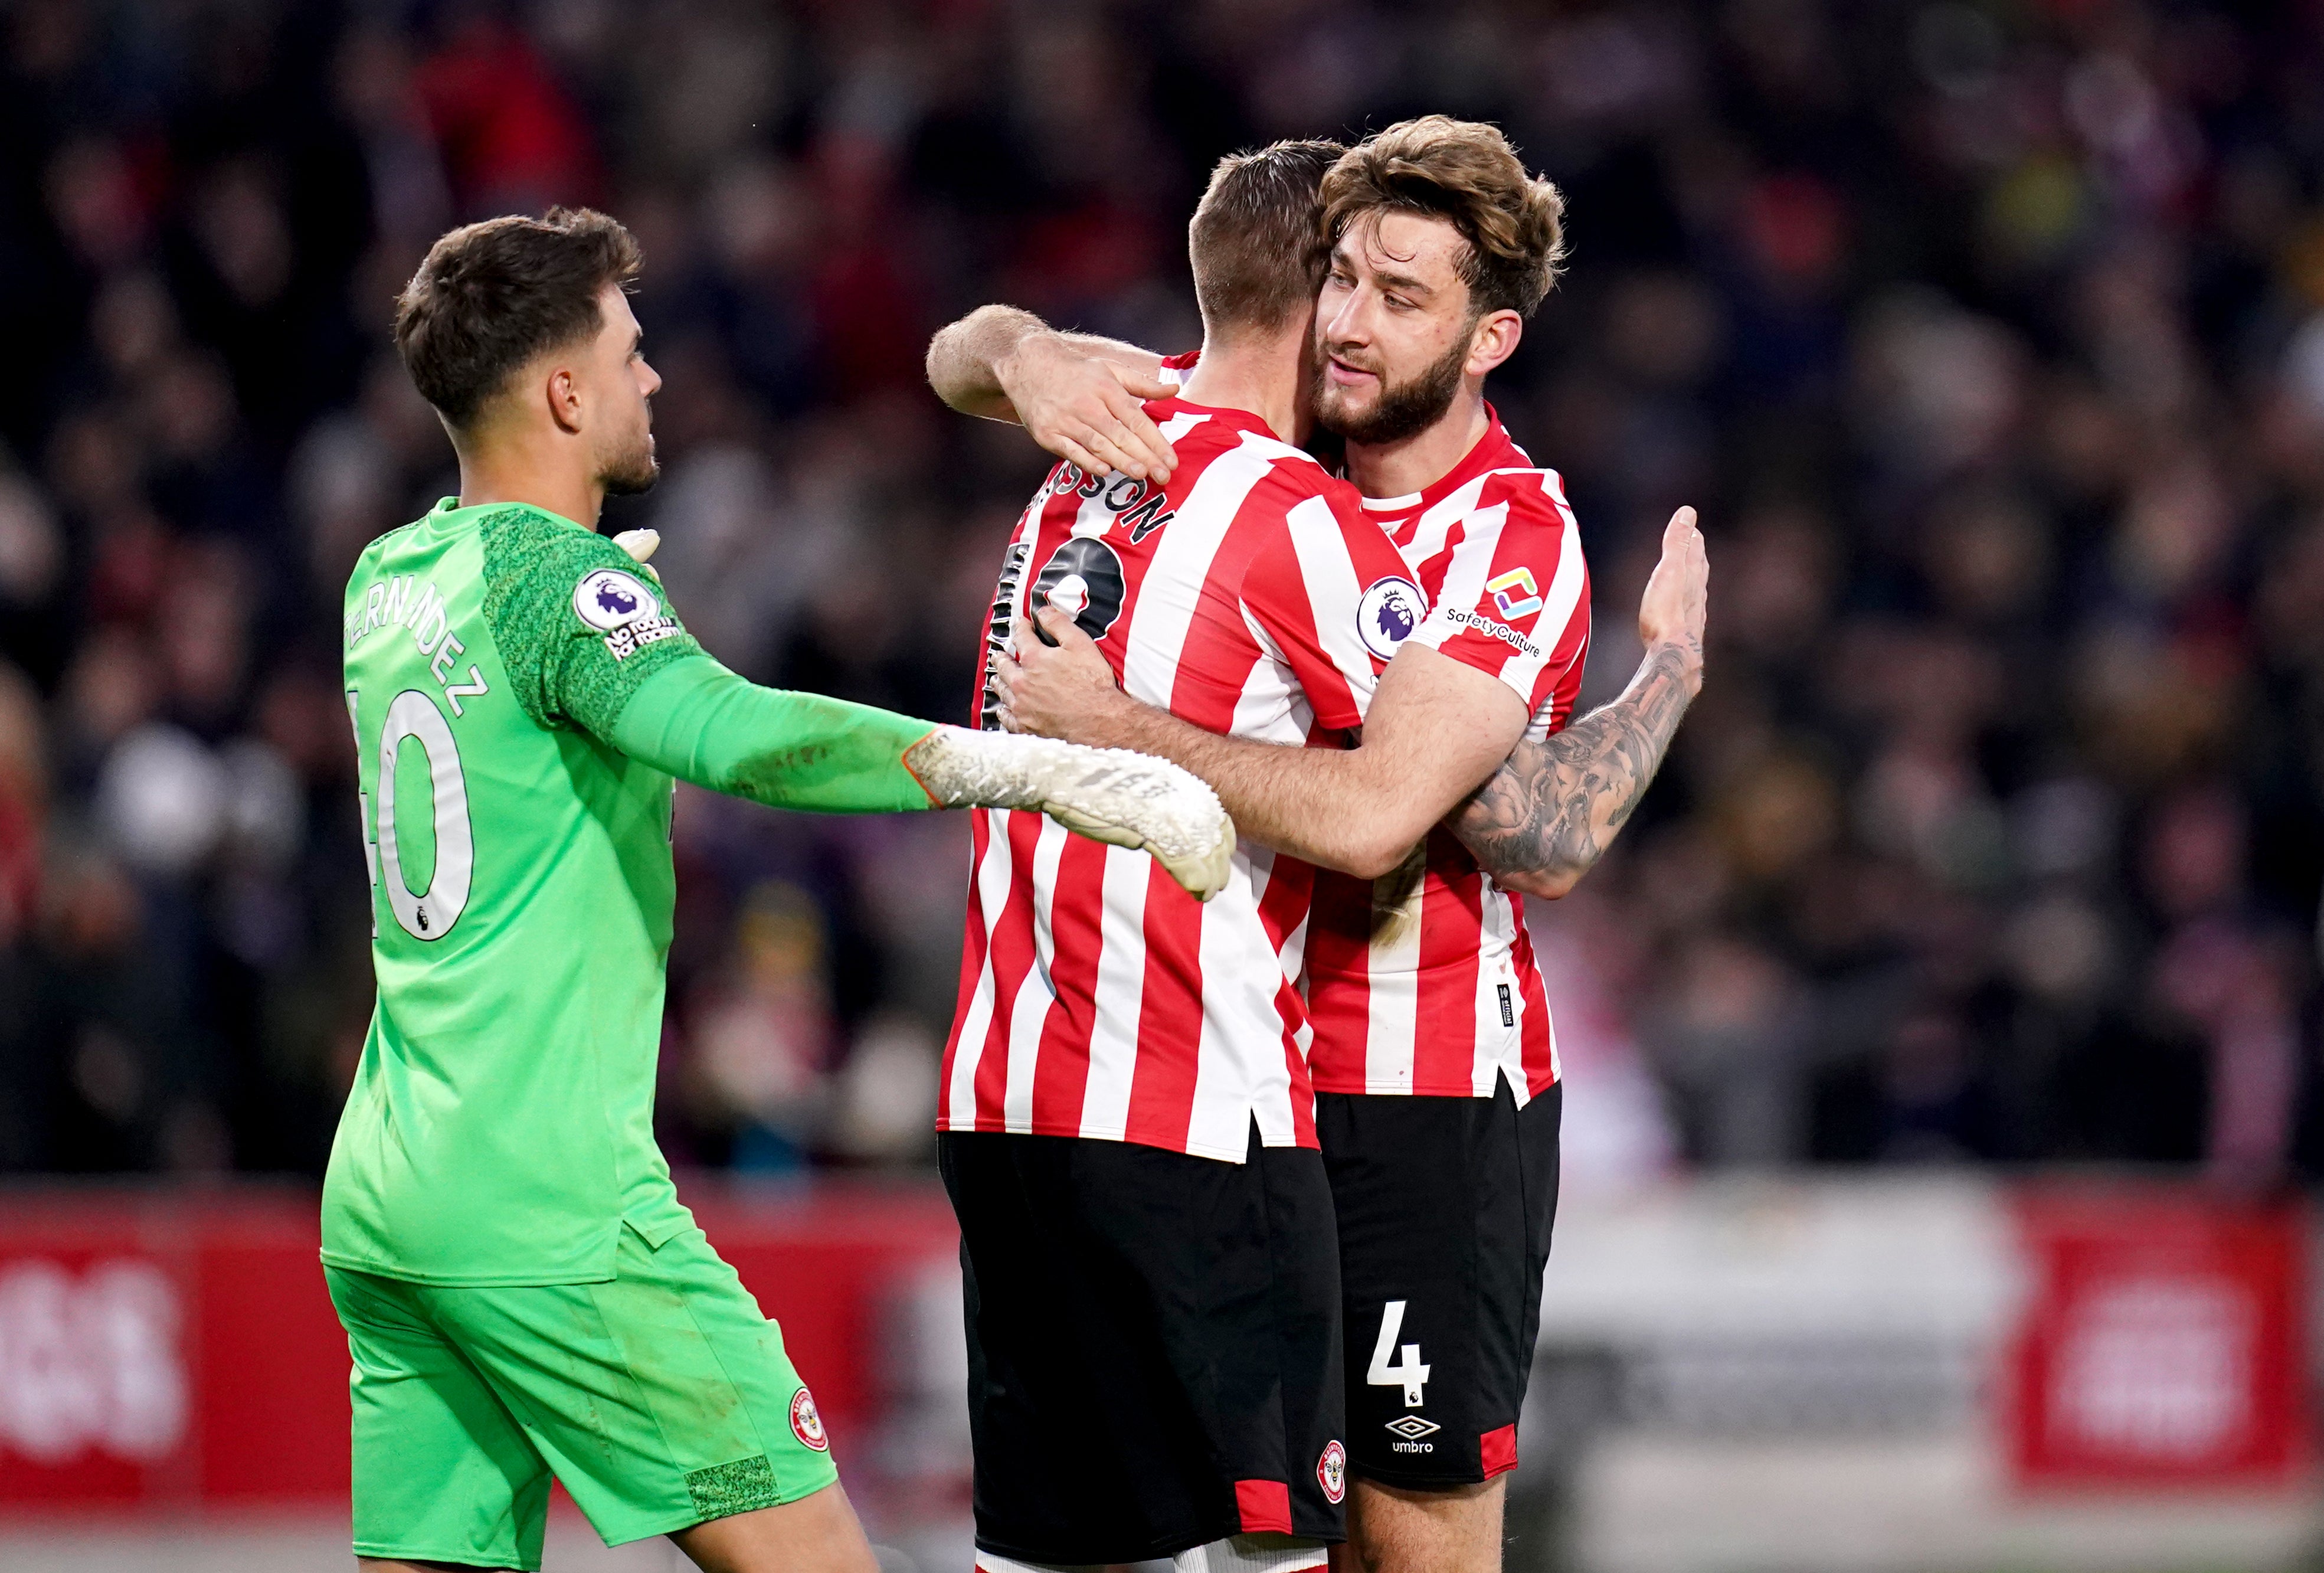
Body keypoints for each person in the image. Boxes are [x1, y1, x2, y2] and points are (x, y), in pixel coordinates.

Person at [323, 206, 1232, 1573]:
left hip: (391, 1194)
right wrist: (1027, 766)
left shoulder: (390, 578)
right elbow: (741, 735)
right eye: (629, 352)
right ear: (562, 391)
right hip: (552, 1201)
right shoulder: (555, 589)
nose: (654, 379)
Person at [928, 118, 1708, 1572]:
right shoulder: (1252, 417)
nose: (1349, 324)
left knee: (1399, 1547)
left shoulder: (1510, 537)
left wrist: (1663, 676)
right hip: (1241, 1082)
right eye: (1341, 277)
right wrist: (1029, 355)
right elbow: (958, 351)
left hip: (1420, 1102)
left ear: (1489, 339)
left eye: (1400, 299)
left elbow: (1507, 838)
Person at [933, 139, 1456, 1573]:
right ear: (1323, 300)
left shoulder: (1077, 461)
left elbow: (960, 352)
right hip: (1193, 1105)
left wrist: (1020, 348)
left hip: (1004, 1093)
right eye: (1359, 284)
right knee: (1271, 1555)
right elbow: (1392, 808)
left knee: (1056, 1557)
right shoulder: (1303, 518)